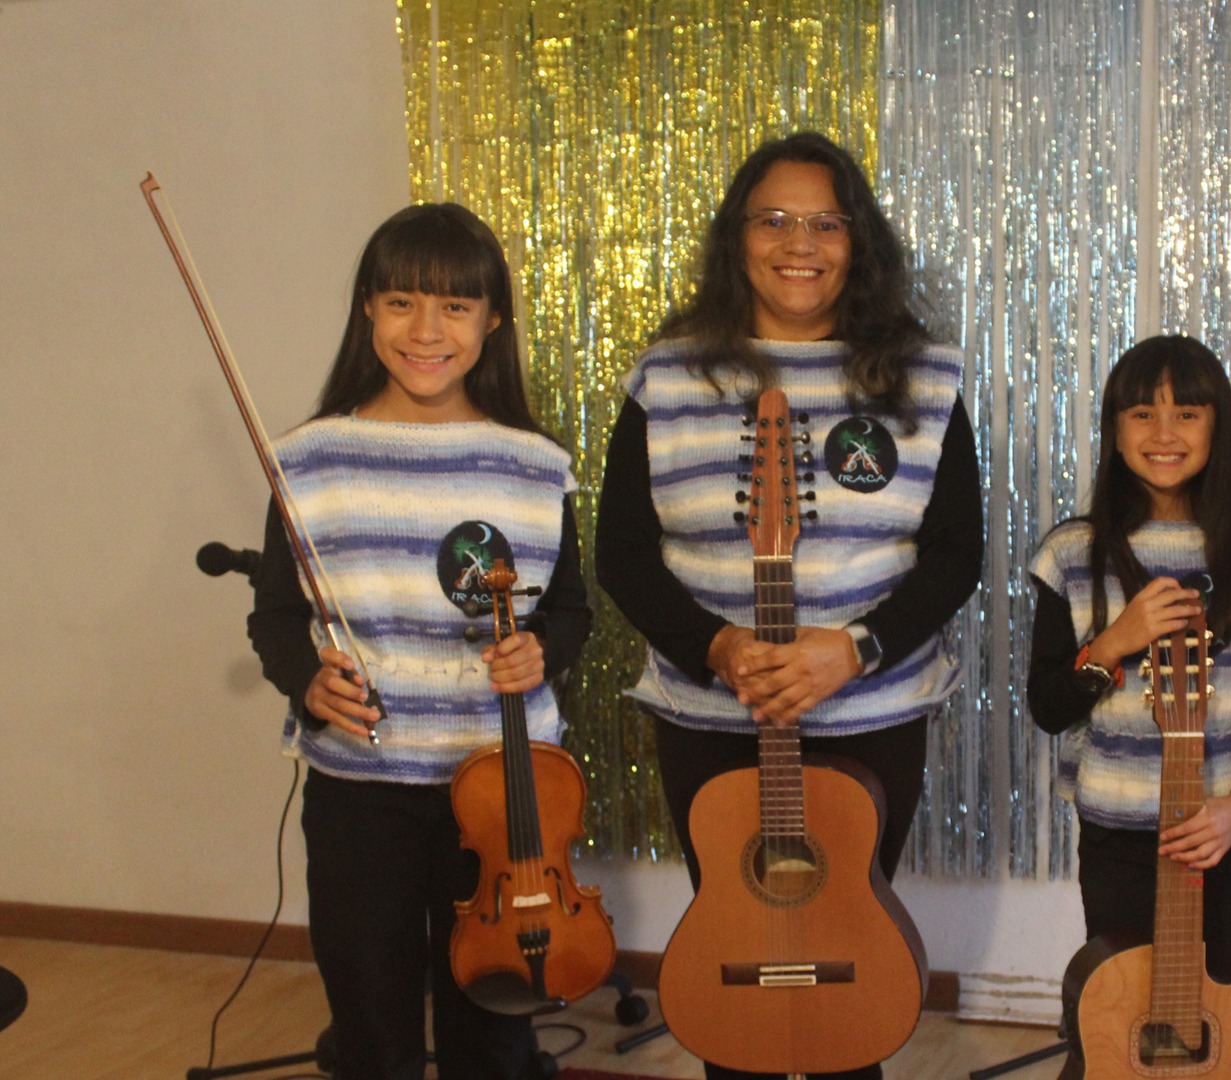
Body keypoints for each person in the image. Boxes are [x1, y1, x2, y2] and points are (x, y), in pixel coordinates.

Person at [595, 131, 983, 1080]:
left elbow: (954, 555)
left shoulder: (922, 379)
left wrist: (855, 648)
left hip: (871, 717)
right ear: (738, 236)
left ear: (858, 242)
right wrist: (720, 649)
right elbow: (624, 556)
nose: (798, 243)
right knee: (739, 962)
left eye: (825, 223)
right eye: (773, 219)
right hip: (708, 720)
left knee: (851, 964)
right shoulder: (668, 378)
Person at [247, 203, 592, 1079]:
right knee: (373, 1029)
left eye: (455, 307)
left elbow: (570, 611)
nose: (426, 331)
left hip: (502, 793)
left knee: (495, 1034)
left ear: (493, 320)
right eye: (401, 302)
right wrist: (305, 680)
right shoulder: (309, 460)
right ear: (368, 308)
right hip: (361, 793)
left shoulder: (533, 463)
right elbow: (275, 616)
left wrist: (541, 651)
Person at [1026, 335, 1231, 1046]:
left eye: (1187, 413)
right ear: (1116, 432)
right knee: (1120, 1019)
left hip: (1222, 833)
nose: (1164, 434)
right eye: (1143, 414)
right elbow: (1048, 707)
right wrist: (1114, 642)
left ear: (1218, 427)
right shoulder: (1072, 554)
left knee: (1211, 1020)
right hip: (1117, 831)